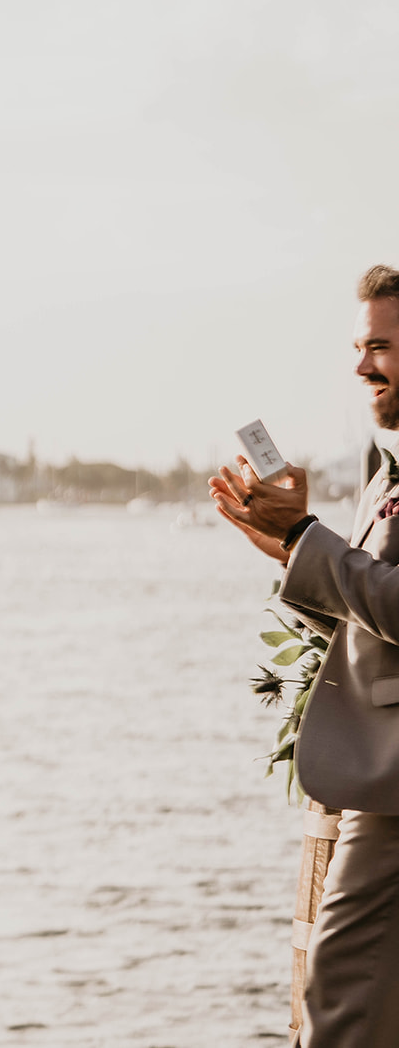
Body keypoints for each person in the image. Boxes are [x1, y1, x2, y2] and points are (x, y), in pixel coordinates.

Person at [210, 265, 399, 1045]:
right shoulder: (381, 471)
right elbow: (370, 628)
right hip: (381, 783)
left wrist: (302, 538)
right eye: (359, 347)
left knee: (340, 995)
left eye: (381, 347)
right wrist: (286, 551)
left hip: (392, 795)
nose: (361, 367)